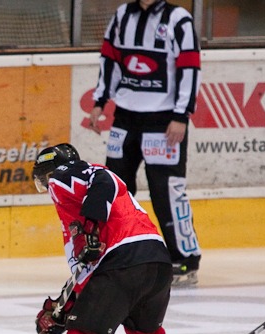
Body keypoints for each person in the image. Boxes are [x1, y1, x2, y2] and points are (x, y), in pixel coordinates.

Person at [21, 143, 206, 334]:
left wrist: (92, 226)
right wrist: (61, 311)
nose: (46, 188)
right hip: (156, 262)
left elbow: (101, 178)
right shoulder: (79, 215)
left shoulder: (68, 176)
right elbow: (87, 274)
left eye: (43, 180)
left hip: (124, 260)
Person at [86, 0, 202, 286]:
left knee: (167, 192)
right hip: (125, 118)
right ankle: (116, 253)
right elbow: (110, 59)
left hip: (163, 121)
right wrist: (100, 102)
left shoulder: (178, 19)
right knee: (114, 189)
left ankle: (185, 258)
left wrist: (181, 115)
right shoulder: (122, 14)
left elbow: (190, 68)